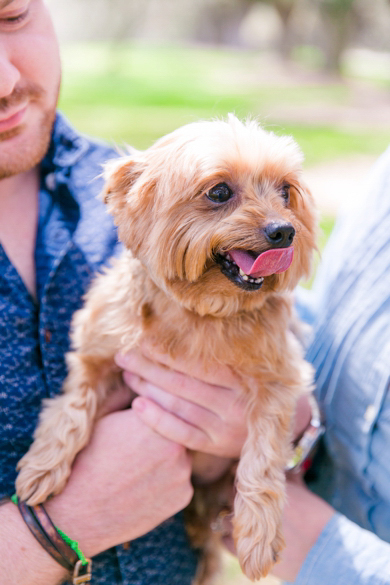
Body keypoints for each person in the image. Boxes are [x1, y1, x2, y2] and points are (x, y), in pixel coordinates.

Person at [0, 2, 251, 583]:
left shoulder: (147, 194)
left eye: (12, 17)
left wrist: (278, 429)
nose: (8, 81)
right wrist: (62, 525)